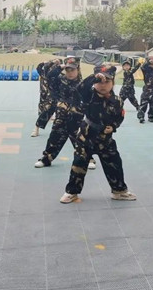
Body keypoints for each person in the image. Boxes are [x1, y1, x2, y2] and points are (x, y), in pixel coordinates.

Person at [60, 64, 136, 204]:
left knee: (114, 163)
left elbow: (119, 117)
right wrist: (93, 78)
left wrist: (113, 127)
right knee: (79, 164)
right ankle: (71, 192)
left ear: (113, 82)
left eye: (107, 81)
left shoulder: (117, 100)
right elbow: (80, 88)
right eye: (99, 82)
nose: (103, 85)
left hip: (105, 139)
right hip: (86, 136)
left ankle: (119, 191)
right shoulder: (89, 95)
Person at [34, 57, 83, 168]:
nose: (70, 73)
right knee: (54, 138)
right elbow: (49, 76)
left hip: (76, 119)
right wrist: (59, 67)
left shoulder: (82, 84)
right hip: (61, 117)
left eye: (73, 70)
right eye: (68, 70)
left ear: (78, 69)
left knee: (80, 141)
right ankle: (46, 159)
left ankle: (88, 160)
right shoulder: (61, 80)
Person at [31, 59, 60, 137]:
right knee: (45, 111)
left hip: (58, 96)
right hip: (47, 94)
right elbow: (40, 67)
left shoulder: (60, 75)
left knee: (65, 114)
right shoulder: (44, 73)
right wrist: (49, 62)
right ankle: (36, 128)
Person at [137, 56, 153, 123]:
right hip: (147, 89)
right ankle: (141, 117)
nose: (152, 60)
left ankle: (151, 116)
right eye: (150, 59)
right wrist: (147, 61)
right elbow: (143, 66)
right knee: (143, 104)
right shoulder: (146, 69)